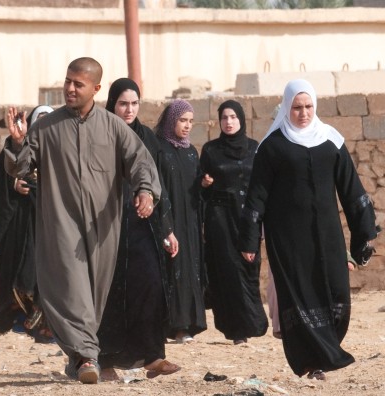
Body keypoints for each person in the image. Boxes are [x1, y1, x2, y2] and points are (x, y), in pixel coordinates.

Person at [4, 58, 161, 384]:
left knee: (92, 295)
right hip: (60, 225)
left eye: (78, 84)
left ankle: (79, 358)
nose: (70, 88)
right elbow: (21, 168)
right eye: (67, 81)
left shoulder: (113, 126)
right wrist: (19, 142)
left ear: (96, 89)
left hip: (103, 229)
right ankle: (87, 356)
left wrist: (145, 190)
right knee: (70, 289)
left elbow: (140, 161)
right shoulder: (46, 127)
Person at [238, 79, 378, 380]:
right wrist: (249, 240)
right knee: (300, 294)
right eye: (297, 107)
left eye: (308, 106)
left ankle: (328, 348)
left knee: (336, 290)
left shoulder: (331, 141)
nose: (303, 113)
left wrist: (363, 230)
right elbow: (256, 197)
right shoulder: (272, 147)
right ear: (287, 108)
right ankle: (310, 363)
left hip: (327, 234)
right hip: (288, 238)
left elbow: (351, 188)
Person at [97, 78, 180, 380]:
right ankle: (104, 362)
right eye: (122, 103)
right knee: (109, 292)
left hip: (144, 225)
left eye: (134, 103)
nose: (129, 109)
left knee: (151, 286)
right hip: (105, 226)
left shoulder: (147, 137)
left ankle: (153, 356)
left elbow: (161, 187)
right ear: (112, 104)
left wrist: (168, 229)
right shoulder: (99, 134)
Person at [200, 100, 268, 345]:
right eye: (224, 118)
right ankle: (237, 331)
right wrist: (204, 183)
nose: (228, 122)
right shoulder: (210, 150)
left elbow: (261, 185)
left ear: (241, 120)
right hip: (221, 220)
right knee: (228, 272)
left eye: (233, 117)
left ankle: (254, 323)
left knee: (250, 269)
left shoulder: (254, 148)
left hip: (248, 219)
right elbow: (200, 187)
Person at [0, 105, 55, 343]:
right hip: (23, 226)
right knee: (26, 273)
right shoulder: (18, 147)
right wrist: (12, 184)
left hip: (52, 228)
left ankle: (49, 325)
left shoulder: (61, 151)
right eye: (40, 122)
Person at [154, 99, 207, 344]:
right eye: (182, 120)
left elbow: (193, 189)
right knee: (171, 270)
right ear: (170, 120)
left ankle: (187, 324)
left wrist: (204, 184)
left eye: (190, 121)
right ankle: (170, 325)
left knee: (189, 271)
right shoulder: (160, 150)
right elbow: (159, 189)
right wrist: (167, 227)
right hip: (169, 221)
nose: (186, 126)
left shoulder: (190, 151)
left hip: (190, 223)